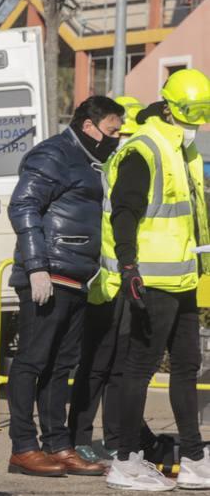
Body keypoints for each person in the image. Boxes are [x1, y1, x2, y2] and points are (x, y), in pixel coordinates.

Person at [92, 69, 210, 491]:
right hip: (151, 278)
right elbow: (124, 212)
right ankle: (126, 460)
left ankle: (194, 458)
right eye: (192, 116)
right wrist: (128, 267)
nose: (197, 124)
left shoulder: (182, 150)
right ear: (169, 108)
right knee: (137, 370)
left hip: (182, 277)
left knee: (187, 367)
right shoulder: (146, 149)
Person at [0, 97, 126, 478]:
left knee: (61, 366)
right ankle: (23, 446)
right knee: (33, 362)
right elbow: (23, 205)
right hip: (49, 275)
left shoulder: (91, 161)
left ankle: (58, 444)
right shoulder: (54, 154)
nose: (116, 138)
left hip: (77, 277)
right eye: (112, 130)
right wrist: (37, 266)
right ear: (89, 125)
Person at [68, 97, 160, 464]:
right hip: (101, 280)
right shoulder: (107, 163)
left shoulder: (122, 159)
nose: (120, 136)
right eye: (115, 130)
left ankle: (115, 436)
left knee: (119, 366)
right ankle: (80, 437)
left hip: (120, 276)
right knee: (96, 364)